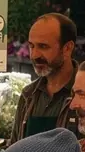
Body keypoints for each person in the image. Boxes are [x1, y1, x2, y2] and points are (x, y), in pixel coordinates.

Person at [9, 13, 79, 142]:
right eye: (31, 46)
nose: (34, 55)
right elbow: (13, 148)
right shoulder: (28, 95)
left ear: (67, 48)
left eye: (43, 46)